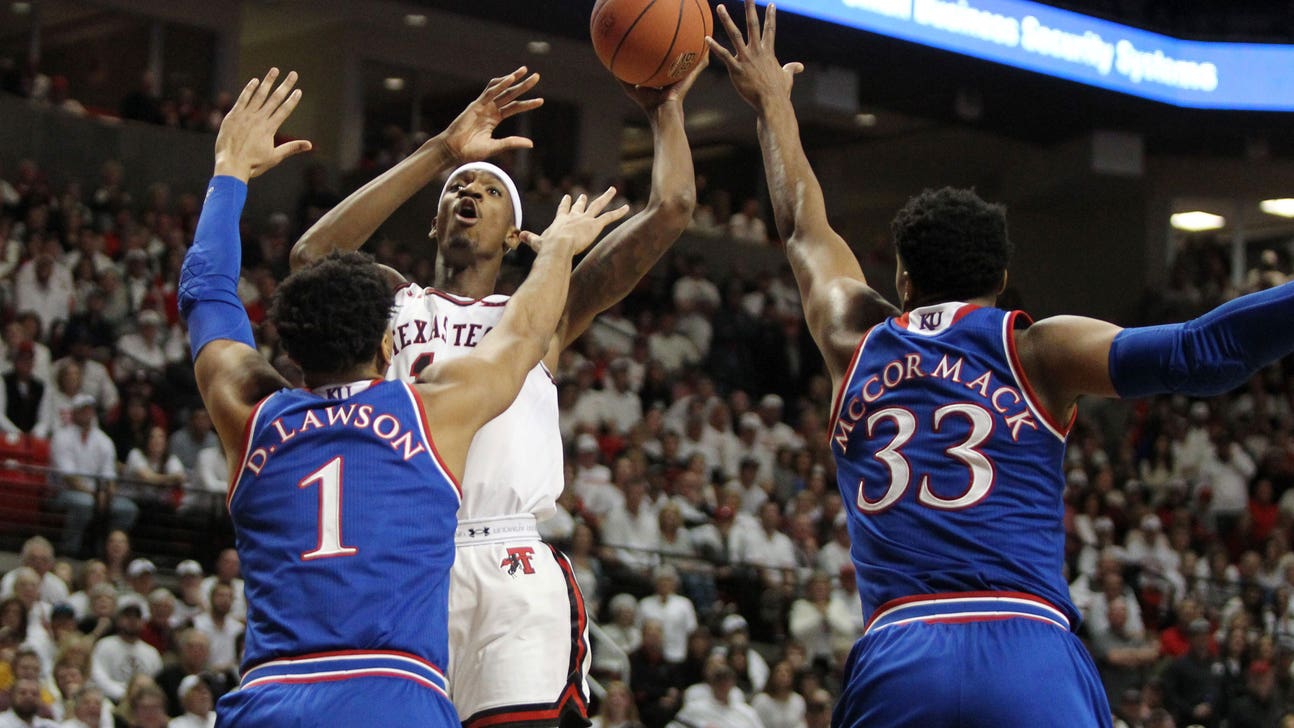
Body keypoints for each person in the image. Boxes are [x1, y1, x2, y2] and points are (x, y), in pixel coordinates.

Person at [708, 1, 1294, 724]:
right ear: (1000, 280)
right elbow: (1203, 352)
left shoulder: (849, 335)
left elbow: (802, 224)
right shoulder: (1037, 348)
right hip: (1026, 652)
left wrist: (771, 102)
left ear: (902, 278)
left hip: (900, 649)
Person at [178, 68, 627, 727]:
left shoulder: (248, 414)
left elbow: (205, 292)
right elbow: (526, 330)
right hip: (393, 695)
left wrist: (229, 174)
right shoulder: (425, 412)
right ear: (390, 349)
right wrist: (557, 249)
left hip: (270, 698)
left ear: (289, 349)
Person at [290, 62, 702, 728]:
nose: (469, 194)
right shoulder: (395, 301)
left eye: (488, 190)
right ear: (434, 223)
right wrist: (440, 153)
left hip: (511, 559)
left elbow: (673, 210)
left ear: (516, 235)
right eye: (458, 189)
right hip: (411, 554)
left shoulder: (543, 311)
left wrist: (665, 108)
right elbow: (313, 256)